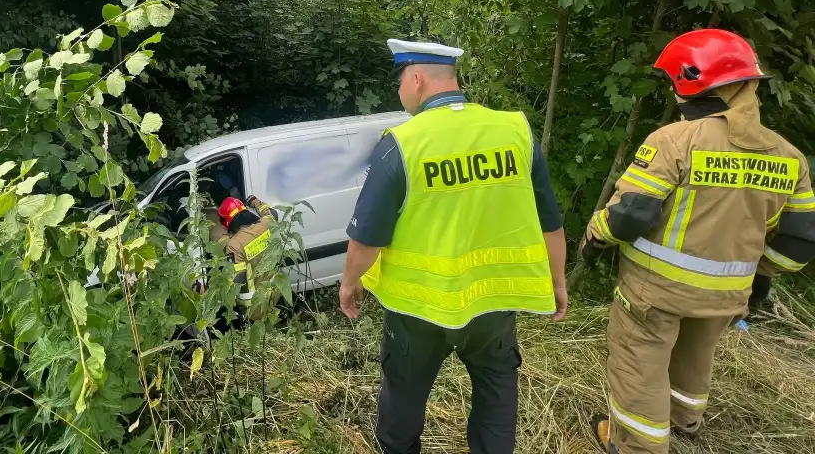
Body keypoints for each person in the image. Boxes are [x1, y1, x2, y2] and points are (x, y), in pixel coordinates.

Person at [586, 29, 815, 454]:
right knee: (695, 359)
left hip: (654, 293)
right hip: (726, 296)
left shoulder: (676, 141)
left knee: (639, 369)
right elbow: (801, 241)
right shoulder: (789, 157)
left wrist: (595, 236)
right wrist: (762, 276)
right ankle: (684, 422)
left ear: (689, 82)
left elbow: (632, 214)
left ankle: (636, 446)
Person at [339, 39, 568, 454]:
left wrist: (349, 282)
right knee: (497, 393)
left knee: (404, 400)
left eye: (400, 83)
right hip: (493, 302)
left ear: (417, 79)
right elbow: (549, 221)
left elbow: (367, 237)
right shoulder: (515, 130)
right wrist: (558, 281)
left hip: (417, 311)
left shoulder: (404, 143)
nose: (400, 93)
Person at [217, 195, 277, 320]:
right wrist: (255, 202)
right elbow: (273, 213)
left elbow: (238, 279)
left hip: (253, 306)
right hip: (276, 292)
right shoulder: (266, 224)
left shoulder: (234, 245)